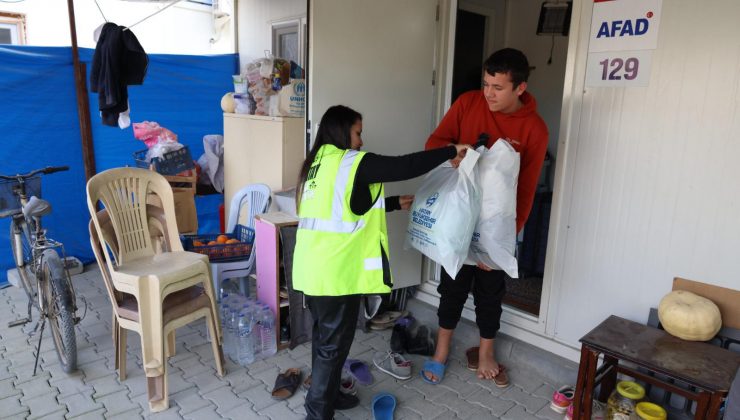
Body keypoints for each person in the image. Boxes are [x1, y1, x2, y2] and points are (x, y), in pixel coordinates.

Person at [292, 105, 470, 420]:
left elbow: (344, 208)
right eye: (358, 132)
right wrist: (450, 152)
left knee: (325, 341)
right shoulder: (351, 162)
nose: (360, 141)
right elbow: (405, 166)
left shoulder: (317, 165)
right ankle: (317, 414)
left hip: (312, 271)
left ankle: (329, 396)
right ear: (343, 130)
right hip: (337, 275)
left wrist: (391, 204)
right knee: (332, 348)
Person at [421, 48, 549, 387]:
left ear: (520, 88)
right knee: (452, 286)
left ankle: (486, 351)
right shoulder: (467, 103)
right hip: (458, 214)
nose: (488, 94)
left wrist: (502, 243)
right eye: (486, 84)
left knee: (491, 291)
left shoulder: (535, 129)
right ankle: (442, 350)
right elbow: (435, 142)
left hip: (496, 225)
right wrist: (453, 154)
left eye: (498, 87)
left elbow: (526, 190)